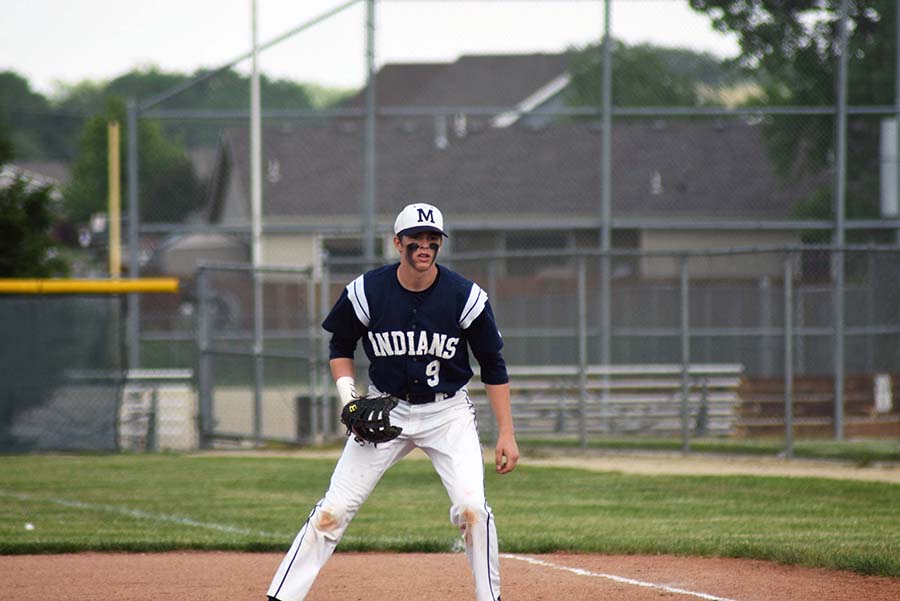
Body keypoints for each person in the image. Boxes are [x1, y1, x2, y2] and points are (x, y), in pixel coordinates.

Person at [267, 203, 519, 601]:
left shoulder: (465, 296)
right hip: (386, 409)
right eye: (415, 239)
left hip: (447, 412)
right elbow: (340, 344)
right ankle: (281, 597)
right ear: (397, 243)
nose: (424, 245)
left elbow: (493, 363)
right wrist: (349, 400)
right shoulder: (368, 291)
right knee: (333, 511)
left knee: (472, 508)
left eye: (432, 239)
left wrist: (506, 433)